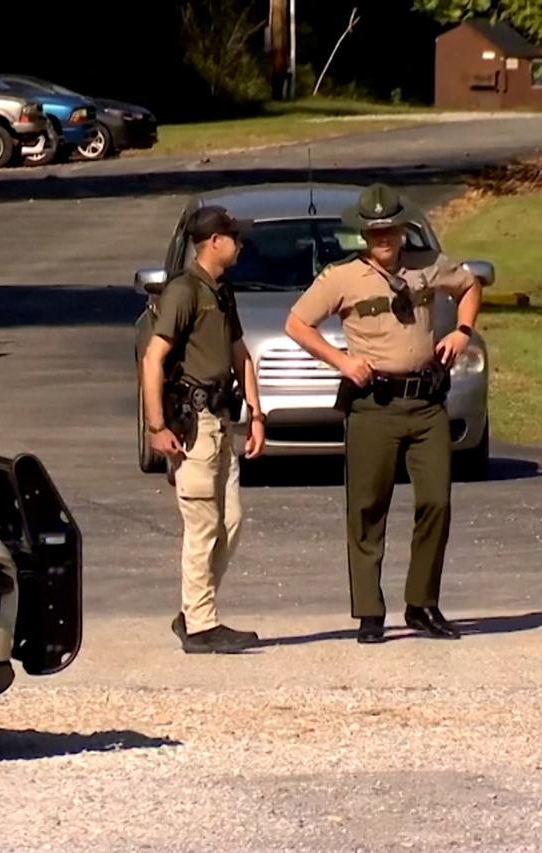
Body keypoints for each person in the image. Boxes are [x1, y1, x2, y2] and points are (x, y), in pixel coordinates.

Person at [284, 184, 484, 644]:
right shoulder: (342, 277)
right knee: (367, 508)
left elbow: (470, 285)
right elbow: (296, 323)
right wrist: (342, 362)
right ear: (363, 234)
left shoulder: (427, 265)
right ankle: (370, 612)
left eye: (390, 230)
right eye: (374, 232)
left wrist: (462, 332)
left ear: (401, 228)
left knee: (437, 501)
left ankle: (422, 604)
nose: (384, 239)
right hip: (374, 405)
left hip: (427, 403)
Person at [141, 205, 266, 654]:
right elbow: (153, 358)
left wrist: (256, 413)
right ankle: (200, 625)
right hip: (193, 427)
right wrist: (156, 426)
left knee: (230, 521)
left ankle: (193, 611)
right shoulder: (184, 292)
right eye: (235, 236)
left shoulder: (221, 291)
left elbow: (240, 355)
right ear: (214, 241)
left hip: (223, 422)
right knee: (203, 523)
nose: (240, 244)